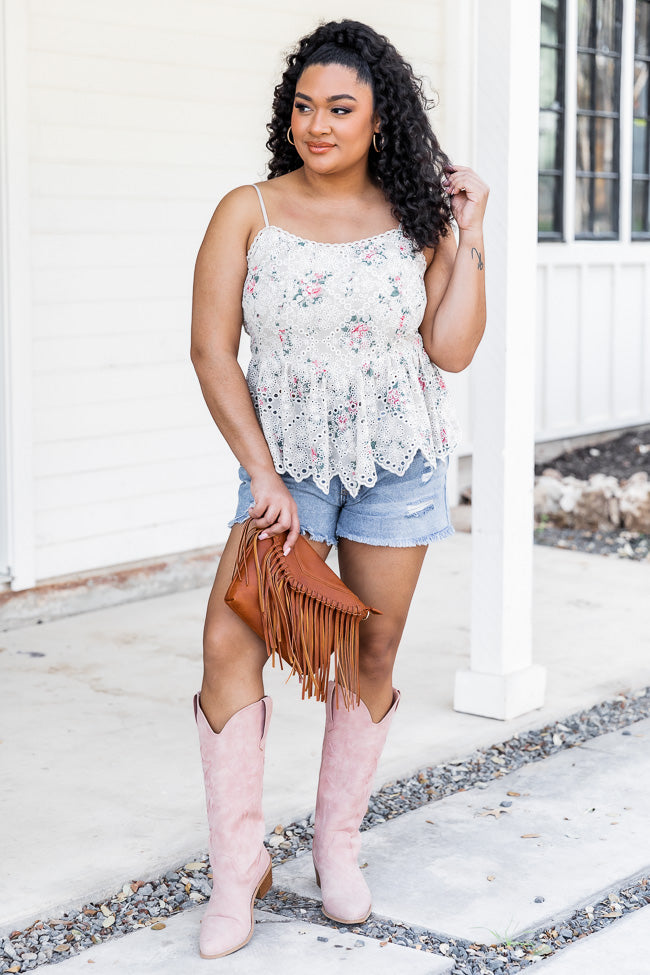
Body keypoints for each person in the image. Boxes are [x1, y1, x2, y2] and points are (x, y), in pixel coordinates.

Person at [190, 18, 488, 960]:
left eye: (340, 108)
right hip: (288, 469)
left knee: (374, 641)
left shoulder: (417, 218)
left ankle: (338, 848)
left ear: (378, 119)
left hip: (399, 458)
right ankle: (238, 871)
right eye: (305, 106)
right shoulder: (249, 209)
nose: (317, 124)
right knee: (230, 639)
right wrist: (262, 475)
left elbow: (451, 348)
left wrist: (468, 234)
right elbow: (210, 351)